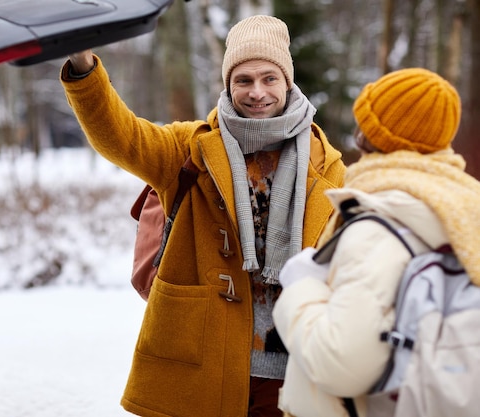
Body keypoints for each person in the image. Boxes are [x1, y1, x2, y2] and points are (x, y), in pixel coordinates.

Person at [61, 15, 345, 417]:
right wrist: (83, 64)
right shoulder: (189, 147)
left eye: (269, 79)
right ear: (228, 84)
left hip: (291, 367)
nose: (257, 92)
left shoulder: (325, 163)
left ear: (287, 82)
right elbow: (119, 135)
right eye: (243, 80)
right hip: (203, 357)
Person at [272, 68, 480, 417]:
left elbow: (340, 365)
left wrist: (300, 285)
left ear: (370, 135)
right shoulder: (460, 207)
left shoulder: (380, 224)